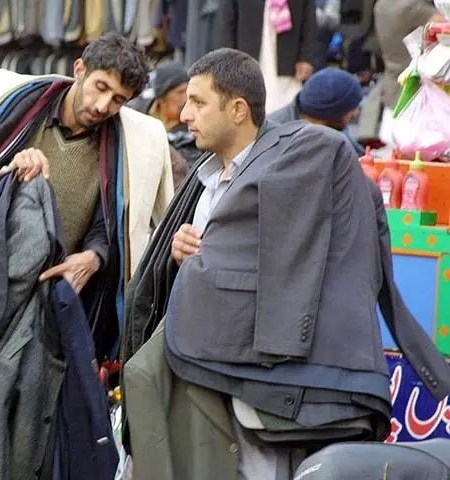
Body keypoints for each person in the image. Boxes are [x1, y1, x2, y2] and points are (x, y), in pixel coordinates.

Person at [123, 47, 450, 480]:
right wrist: (182, 256)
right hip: (209, 371)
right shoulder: (201, 183)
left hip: (264, 386)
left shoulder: (297, 164)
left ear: (238, 109)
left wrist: (211, 269)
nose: (184, 114)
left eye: (198, 102)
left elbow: (289, 262)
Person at [0, 32, 175, 478]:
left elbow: (113, 225)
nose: (104, 105)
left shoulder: (123, 148)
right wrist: (8, 172)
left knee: (28, 430)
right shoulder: (20, 114)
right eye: (100, 88)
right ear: (79, 71)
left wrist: (94, 258)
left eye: (119, 99)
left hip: (51, 309)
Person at [222, 0, 320, 112]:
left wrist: (306, 57)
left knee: (287, 109)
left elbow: (309, 21)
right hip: (248, 55)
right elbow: (228, 21)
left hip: (288, 58)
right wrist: (228, 59)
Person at [375, 0, 444, 146]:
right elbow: (444, 26)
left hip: (393, 89)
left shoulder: (381, 5)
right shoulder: (412, 7)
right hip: (417, 97)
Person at [127, 60, 199, 184]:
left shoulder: (192, 133)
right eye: (180, 92)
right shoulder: (136, 115)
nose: (186, 98)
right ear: (162, 97)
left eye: (188, 92)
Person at [268, 66, 365, 154]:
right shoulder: (275, 141)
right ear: (331, 114)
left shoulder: (331, 127)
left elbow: (358, 156)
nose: (356, 113)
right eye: (352, 108)